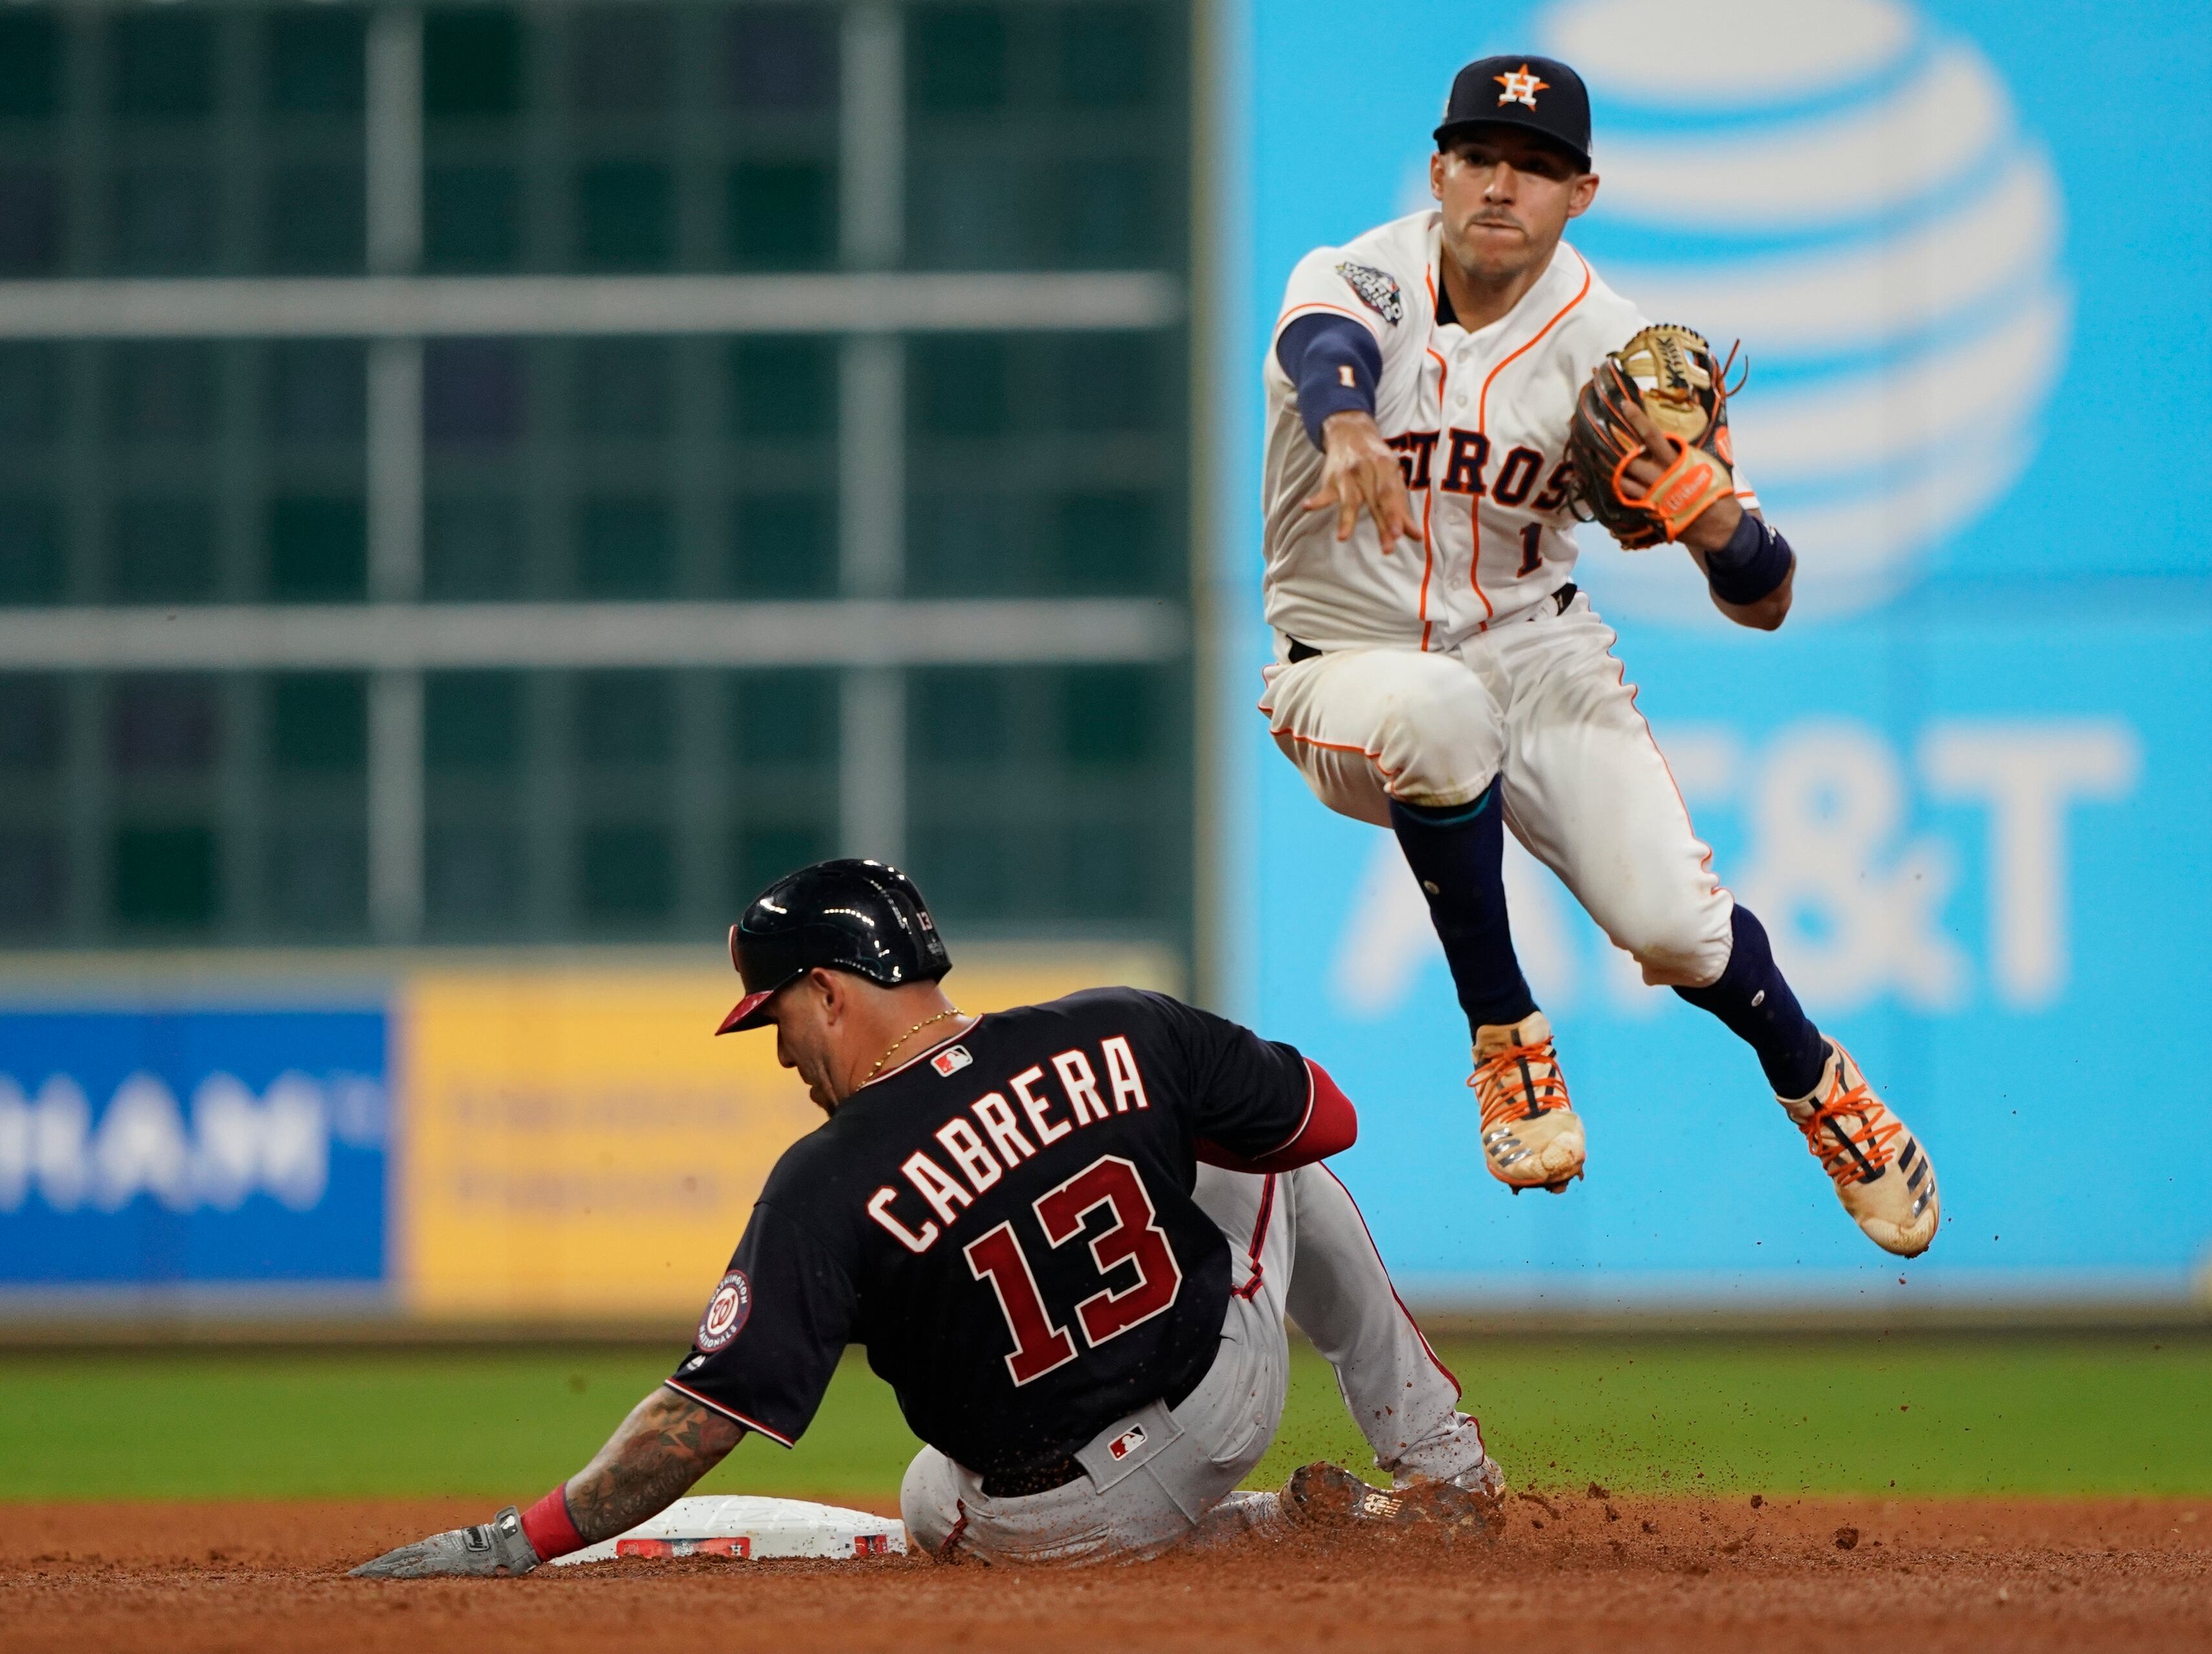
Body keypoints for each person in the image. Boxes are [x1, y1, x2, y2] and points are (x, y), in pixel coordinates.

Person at [351, 860, 1499, 1578]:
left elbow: (698, 1421)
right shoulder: (1116, 1027)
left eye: (779, 1017)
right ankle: (1443, 1474)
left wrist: (520, 1541)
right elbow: (1327, 1119)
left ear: (831, 992)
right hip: (1222, 1404)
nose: (786, 1050)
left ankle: (1266, 1524)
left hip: (1035, 1534)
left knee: (924, 1493)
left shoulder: (821, 1180)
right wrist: (1122, 1135)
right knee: (1273, 1164)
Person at [1257, 54, 1939, 1253]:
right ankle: (1506, 1037)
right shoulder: (1358, 273)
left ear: (1584, 192)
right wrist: (1351, 423)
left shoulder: (1615, 346)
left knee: (1676, 926)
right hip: (1344, 664)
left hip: (1534, 648)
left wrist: (1715, 521)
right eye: (1479, 158)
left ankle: (1820, 1083)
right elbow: (1327, 347)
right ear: (1439, 170)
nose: (1502, 186)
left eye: (1538, 167)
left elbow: (1766, 597)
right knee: (1433, 710)